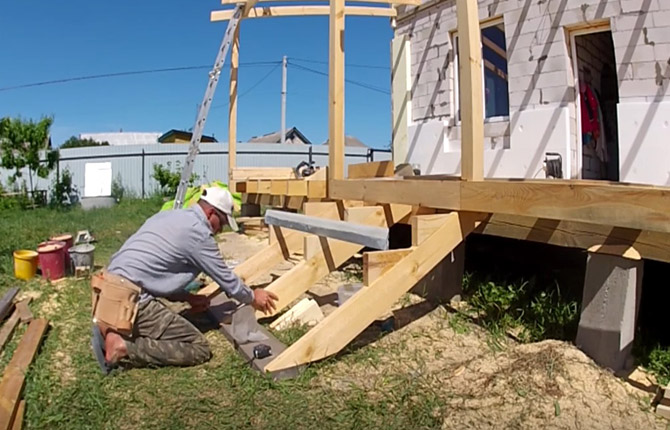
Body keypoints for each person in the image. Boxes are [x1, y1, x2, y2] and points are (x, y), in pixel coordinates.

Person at [90, 187, 278, 374]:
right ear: (211, 213)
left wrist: (187, 297)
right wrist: (253, 296)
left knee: (170, 317)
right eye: (221, 222)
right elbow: (226, 279)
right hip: (131, 300)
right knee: (199, 348)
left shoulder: (169, 217)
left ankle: (111, 327)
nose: (220, 229)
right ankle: (123, 346)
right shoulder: (198, 234)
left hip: (107, 289)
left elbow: (152, 272)